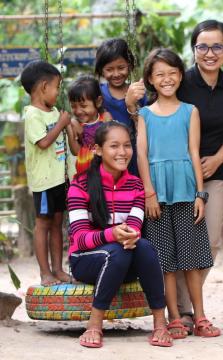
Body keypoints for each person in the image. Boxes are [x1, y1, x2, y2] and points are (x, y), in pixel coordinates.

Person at [137, 48, 220, 338]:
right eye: (159, 74)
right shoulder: (144, 114)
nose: (167, 78)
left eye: (172, 72)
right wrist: (149, 193)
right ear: (150, 79)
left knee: (191, 259)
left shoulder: (189, 111)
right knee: (165, 262)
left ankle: (200, 317)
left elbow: (194, 153)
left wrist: (200, 194)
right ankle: (174, 317)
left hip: (185, 190)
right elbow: (142, 155)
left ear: (181, 75)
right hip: (157, 195)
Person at [68, 121, 172, 348]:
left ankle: (160, 324)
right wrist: (111, 235)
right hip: (85, 260)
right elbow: (80, 239)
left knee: (143, 246)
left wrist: (128, 235)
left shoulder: (136, 185)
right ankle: (94, 324)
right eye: (114, 146)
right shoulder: (80, 185)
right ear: (97, 149)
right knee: (116, 251)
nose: (122, 152)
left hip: (123, 258)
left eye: (127, 146)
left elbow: (134, 227)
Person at [174, 19, 223, 332]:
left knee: (210, 243)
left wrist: (217, 160)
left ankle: (187, 305)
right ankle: (184, 311)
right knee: (182, 243)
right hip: (178, 176)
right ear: (194, 50)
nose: (209, 53)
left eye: (217, 46)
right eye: (202, 46)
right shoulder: (181, 82)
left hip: (214, 173)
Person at [20, 60, 71, 286]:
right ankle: (44, 272)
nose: (58, 92)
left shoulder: (53, 113)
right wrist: (61, 124)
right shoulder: (32, 115)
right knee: (43, 223)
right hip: (43, 183)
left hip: (59, 179)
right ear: (43, 87)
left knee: (57, 223)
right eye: (57, 87)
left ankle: (58, 269)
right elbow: (43, 143)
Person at [94, 38, 146, 175]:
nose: (116, 74)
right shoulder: (98, 94)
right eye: (109, 69)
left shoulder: (138, 93)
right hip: (107, 161)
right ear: (101, 70)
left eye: (121, 68)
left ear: (129, 65)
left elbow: (146, 129)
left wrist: (131, 105)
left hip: (135, 158)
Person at [66, 75, 112, 174]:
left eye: (83, 106)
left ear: (98, 102)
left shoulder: (105, 118)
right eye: (73, 106)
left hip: (106, 169)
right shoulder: (75, 124)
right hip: (86, 172)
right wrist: (69, 127)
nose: (78, 111)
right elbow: (76, 152)